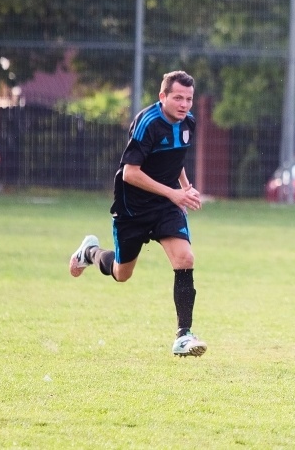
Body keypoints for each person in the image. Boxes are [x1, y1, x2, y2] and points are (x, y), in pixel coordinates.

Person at [68, 70, 207, 357]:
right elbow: (130, 173)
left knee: (185, 258)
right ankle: (91, 252)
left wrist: (185, 188)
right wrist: (173, 193)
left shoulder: (189, 122)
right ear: (163, 96)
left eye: (189, 99)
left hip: (166, 206)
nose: (184, 104)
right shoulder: (148, 123)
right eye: (178, 97)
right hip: (133, 209)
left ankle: (184, 336)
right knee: (121, 273)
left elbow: (175, 157)